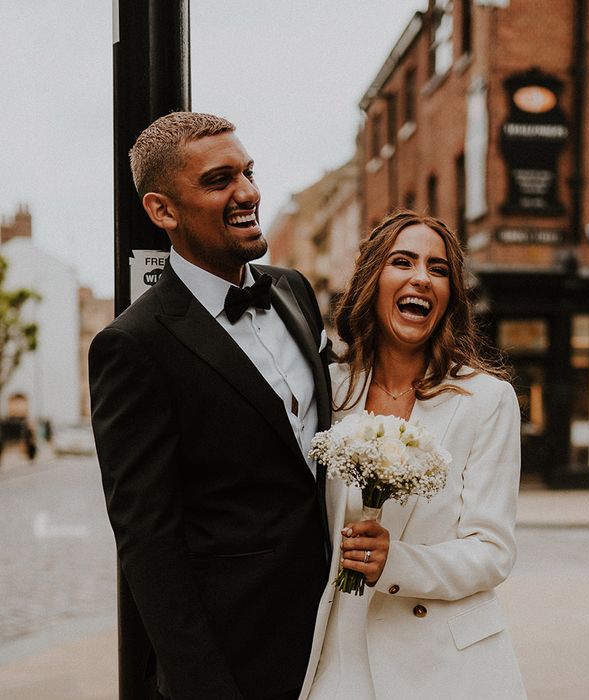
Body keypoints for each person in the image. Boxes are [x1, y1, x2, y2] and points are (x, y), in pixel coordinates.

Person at [89, 111, 388, 700]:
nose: (247, 192)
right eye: (218, 180)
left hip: (342, 628)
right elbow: (149, 543)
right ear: (162, 211)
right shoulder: (134, 346)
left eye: (248, 172)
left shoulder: (293, 290)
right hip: (238, 655)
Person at [301, 210, 527, 699]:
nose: (422, 278)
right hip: (341, 653)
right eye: (402, 262)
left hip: (448, 667)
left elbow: (492, 552)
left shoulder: (486, 400)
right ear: (371, 280)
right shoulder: (329, 391)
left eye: (439, 269)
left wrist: (394, 564)